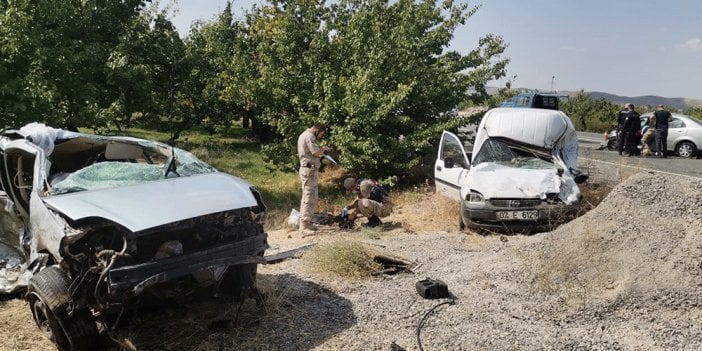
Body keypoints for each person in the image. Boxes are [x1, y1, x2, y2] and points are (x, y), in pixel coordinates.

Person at [297, 123, 329, 235]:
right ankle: (303, 226)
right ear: (317, 129)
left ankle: (308, 222)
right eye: (321, 133)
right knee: (308, 197)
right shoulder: (309, 136)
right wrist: (323, 149)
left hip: (311, 171)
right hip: (308, 171)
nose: (321, 136)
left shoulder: (306, 135)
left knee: (312, 197)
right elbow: (315, 152)